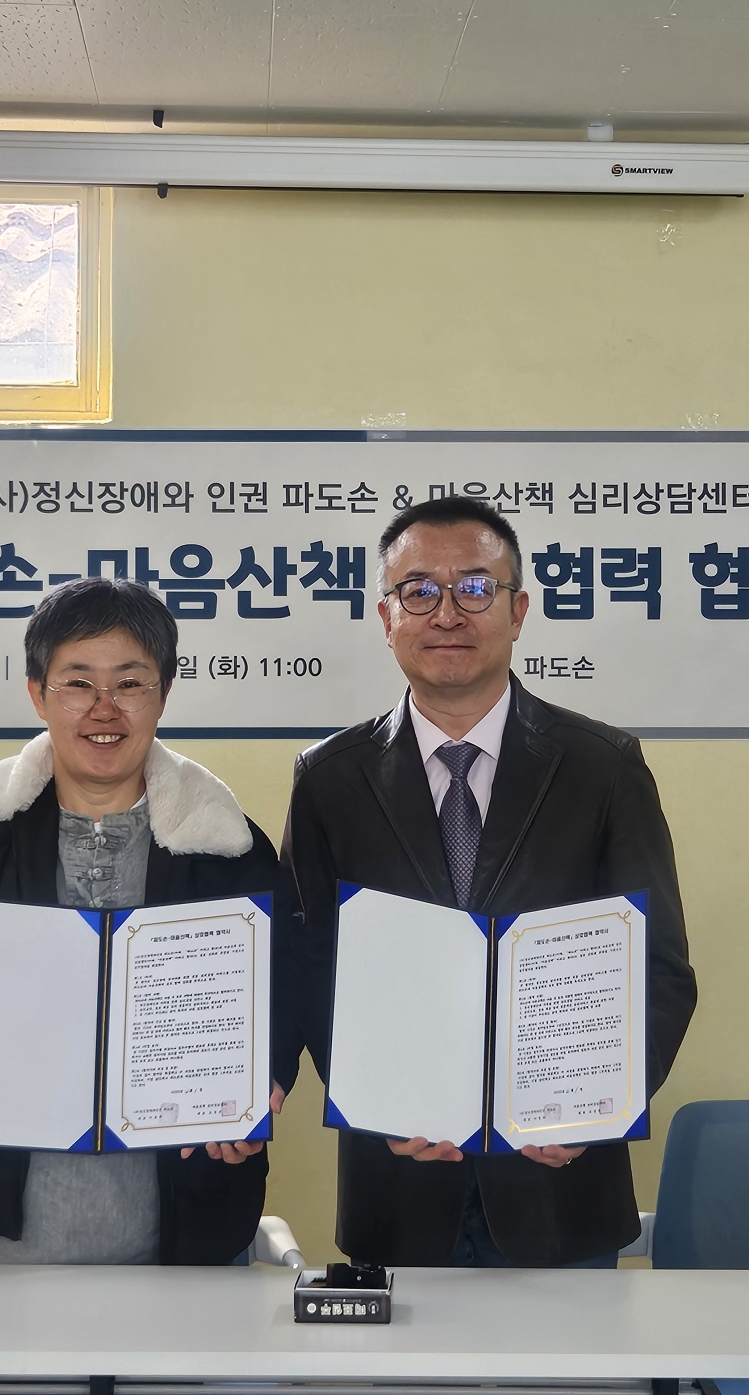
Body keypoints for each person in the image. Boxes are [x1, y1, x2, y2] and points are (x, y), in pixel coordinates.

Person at [283, 496, 697, 1268]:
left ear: (518, 611)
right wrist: (372, 1098)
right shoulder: (329, 779)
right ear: (386, 617)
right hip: (396, 1186)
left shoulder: (603, 768)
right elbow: (307, 966)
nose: (448, 613)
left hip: (560, 1188)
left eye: (475, 587)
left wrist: (600, 1105)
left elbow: (660, 970)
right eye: (419, 591)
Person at [0, 577, 293, 1265]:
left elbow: (285, 988)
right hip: (6, 1223)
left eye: (130, 683)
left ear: (163, 693)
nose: (104, 708)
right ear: (38, 694)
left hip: (191, 1223)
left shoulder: (227, 848)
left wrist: (259, 1084)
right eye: (77, 683)